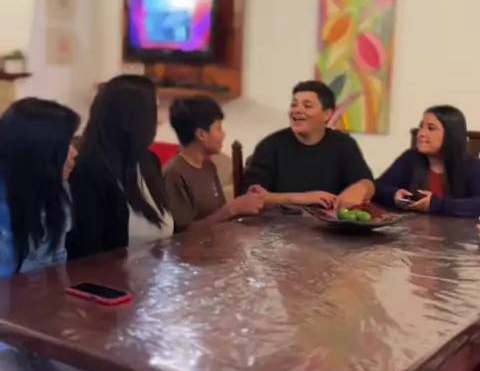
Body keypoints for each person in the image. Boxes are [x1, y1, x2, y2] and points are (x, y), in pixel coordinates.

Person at [0, 98, 105, 371]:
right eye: (67, 145)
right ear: (40, 152)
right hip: (6, 335)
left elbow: (54, 269)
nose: (75, 153)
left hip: (35, 329)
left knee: (95, 368)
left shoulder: (57, 193)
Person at [67, 75, 173, 259]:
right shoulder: (88, 169)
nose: (159, 120)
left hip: (155, 273)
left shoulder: (149, 160)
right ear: (131, 118)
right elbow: (87, 253)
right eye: (154, 111)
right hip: (110, 274)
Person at [243, 80, 374, 208]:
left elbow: (367, 183)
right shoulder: (270, 146)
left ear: (327, 114)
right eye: (294, 105)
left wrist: (360, 188)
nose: (297, 110)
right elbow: (250, 197)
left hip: (331, 220)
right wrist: (300, 198)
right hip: (280, 220)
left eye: (307, 106)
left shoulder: (344, 144)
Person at [164, 96, 265, 232]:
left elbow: (221, 215)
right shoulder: (174, 174)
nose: (223, 135)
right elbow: (182, 233)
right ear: (201, 134)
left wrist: (246, 200)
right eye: (218, 128)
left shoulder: (208, 166)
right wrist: (232, 208)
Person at [375, 105, 480, 216]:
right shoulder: (411, 157)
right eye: (421, 127)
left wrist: (437, 204)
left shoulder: (472, 166)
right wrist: (394, 195)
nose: (421, 133)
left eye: (431, 128)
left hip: (456, 227)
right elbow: (376, 188)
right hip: (413, 226)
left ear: (451, 134)